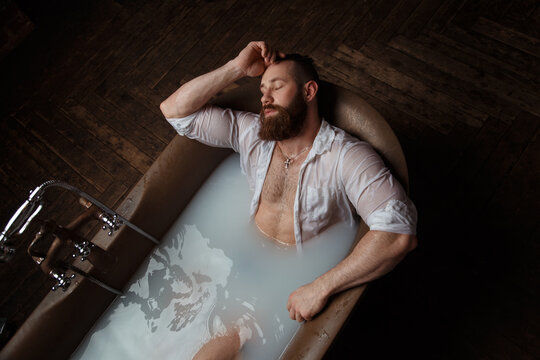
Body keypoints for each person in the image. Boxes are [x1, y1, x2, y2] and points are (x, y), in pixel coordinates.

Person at [160, 41, 418, 359]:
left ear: (309, 92)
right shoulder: (251, 133)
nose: (265, 99)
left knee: (225, 343)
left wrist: (321, 286)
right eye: (262, 91)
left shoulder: (347, 158)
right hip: (240, 257)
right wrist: (236, 68)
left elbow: (397, 234)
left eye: (277, 87)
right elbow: (175, 112)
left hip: (291, 279)